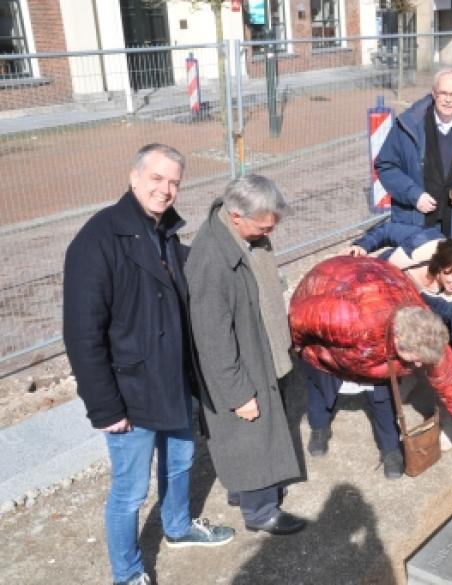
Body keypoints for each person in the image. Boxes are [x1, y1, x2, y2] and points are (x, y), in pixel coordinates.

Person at [63, 144, 234, 585]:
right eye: (157, 179)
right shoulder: (98, 239)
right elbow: (83, 336)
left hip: (171, 378)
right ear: (134, 177)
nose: (166, 189)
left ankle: (177, 527)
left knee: (180, 461)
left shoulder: (164, 233)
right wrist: (105, 408)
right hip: (131, 392)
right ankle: (128, 573)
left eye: (174, 181)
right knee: (129, 492)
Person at [290, 256, 452, 479]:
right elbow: (299, 318)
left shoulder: (427, 333)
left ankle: (390, 450)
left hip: (380, 315)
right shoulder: (348, 320)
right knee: (321, 386)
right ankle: (319, 427)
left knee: (383, 398)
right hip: (331, 296)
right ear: (398, 340)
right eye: (416, 359)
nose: (419, 365)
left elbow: (451, 380)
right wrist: (303, 348)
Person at [185, 175, 306, 535]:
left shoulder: (244, 238)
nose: (270, 231)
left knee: (257, 436)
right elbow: (213, 338)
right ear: (236, 216)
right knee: (251, 435)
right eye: (264, 225)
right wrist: (238, 394)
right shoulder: (211, 260)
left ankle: (246, 491)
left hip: (261, 349)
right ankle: (261, 513)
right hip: (243, 363)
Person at [374, 68, 452, 239]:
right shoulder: (407, 126)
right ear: (434, 93)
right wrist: (414, 195)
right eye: (443, 93)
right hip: (414, 224)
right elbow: (386, 166)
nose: (448, 100)